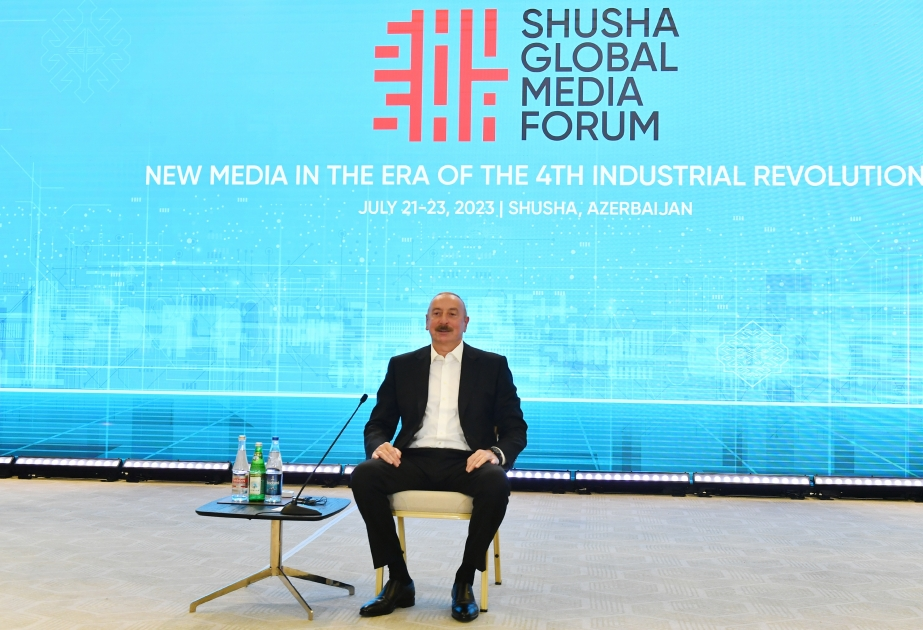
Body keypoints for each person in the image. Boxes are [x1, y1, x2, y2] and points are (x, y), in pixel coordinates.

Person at [351, 292, 527, 622]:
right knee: (364, 475)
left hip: (467, 461)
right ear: (427, 322)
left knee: (495, 481)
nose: (443, 320)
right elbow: (378, 423)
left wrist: (494, 452)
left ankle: (464, 581)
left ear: (465, 323)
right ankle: (399, 579)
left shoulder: (492, 366)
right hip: (412, 459)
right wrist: (379, 444)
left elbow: (515, 428)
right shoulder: (402, 365)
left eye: (452, 314)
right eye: (436, 313)